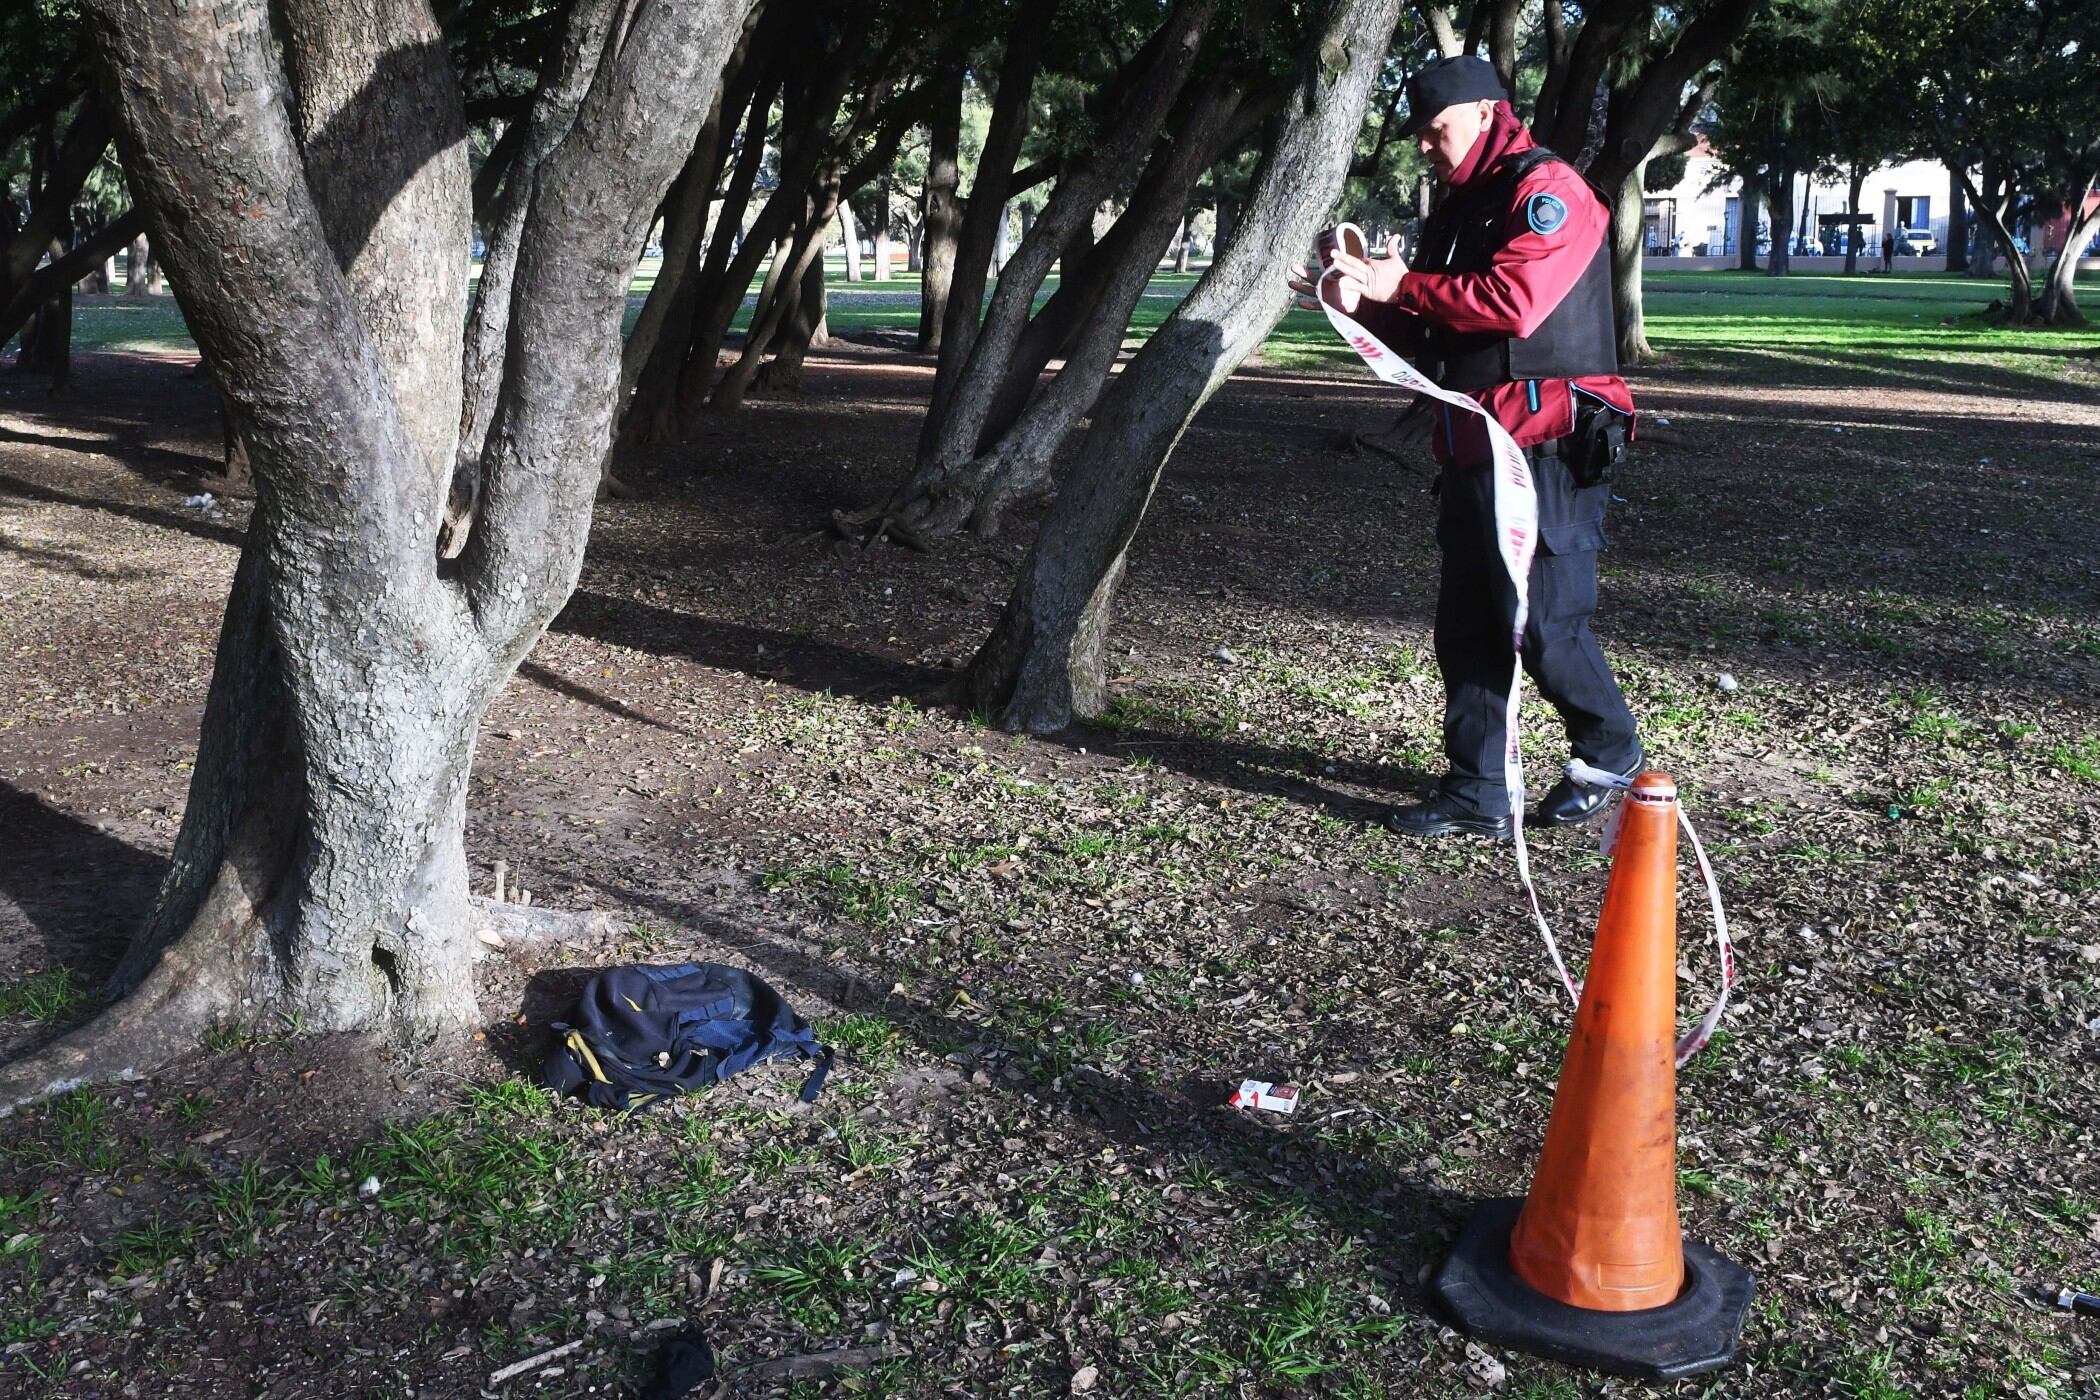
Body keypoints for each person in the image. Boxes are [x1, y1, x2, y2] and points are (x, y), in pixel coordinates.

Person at [1287, 55, 1641, 839]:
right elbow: (1428, 333)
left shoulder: (1548, 193)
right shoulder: (1456, 208)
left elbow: (1513, 304)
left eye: (1434, 128)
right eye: (1417, 133)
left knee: (1548, 624)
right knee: (1470, 626)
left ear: (1486, 112)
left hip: (1548, 444)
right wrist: (1356, 303)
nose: (1423, 145)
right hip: (1472, 446)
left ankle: (1611, 750)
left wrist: (1397, 286)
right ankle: (1478, 787)